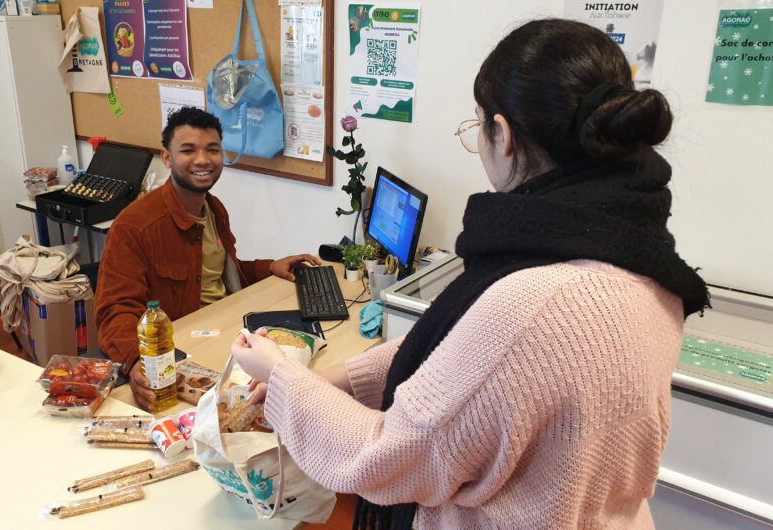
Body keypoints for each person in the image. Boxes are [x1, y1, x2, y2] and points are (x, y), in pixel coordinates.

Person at [231, 18, 709, 529]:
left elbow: (389, 456)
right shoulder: (642, 259)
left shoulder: (536, 300)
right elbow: (467, 367)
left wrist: (283, 379)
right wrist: (335, 379)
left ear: (501, 134)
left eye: (476, 123)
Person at [96, 107, 319, 411]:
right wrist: (137, 362)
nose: (203, 160)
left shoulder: (214, 208)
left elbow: (223, 272)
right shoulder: (134, 227)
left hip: (226, 331)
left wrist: (269, 267)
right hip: (183, 353)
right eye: (188, 150)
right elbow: (114, 311)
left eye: (212, 149)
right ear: (167, 158)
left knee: (302, 371)